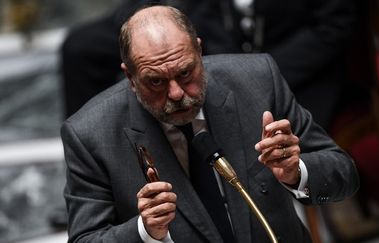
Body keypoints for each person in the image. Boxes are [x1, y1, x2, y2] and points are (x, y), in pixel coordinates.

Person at [61, 5, 359, 242]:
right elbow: (87, 238)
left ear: (199, 52)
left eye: (186, 73)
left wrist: (296, 173)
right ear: (130, 77)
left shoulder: (257, 80)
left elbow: (343, 174)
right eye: (155, 81)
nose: (176, 93)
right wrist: (143, 231)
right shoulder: (90, 134)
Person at [61, 0, 357, 129]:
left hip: (300, 75)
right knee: (147, 89)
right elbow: (205, 16)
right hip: (224, 57)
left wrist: (257, 72)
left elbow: (333, 28)